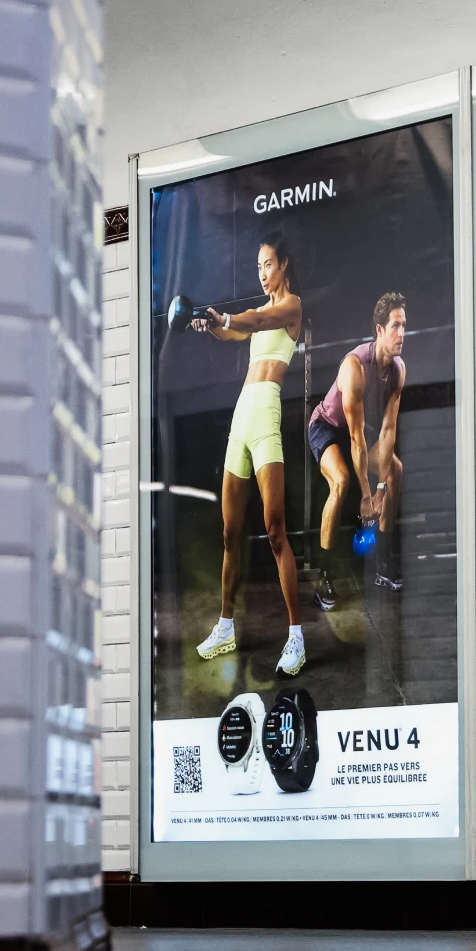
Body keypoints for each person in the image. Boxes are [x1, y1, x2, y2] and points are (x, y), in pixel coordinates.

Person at [192, 232, 306, 675]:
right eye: (258, 266)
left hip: (266, 416)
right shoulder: (260, 311)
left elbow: (256, 321)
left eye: (268, 264)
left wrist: (228, 317)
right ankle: (225, 627)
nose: (262, 273)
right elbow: (235, 332)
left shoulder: (291, 307)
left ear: (284, 264)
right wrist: (212, 325)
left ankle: (296, 637)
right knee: (229, 532)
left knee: (275, 532)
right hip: (242, 416)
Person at [307, 292, 407, 604]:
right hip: (326, 427)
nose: (401, 333)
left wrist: (380, 489)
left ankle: (384, 562)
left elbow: (388, 431)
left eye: (404, 325)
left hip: (361, 432)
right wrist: (366, 495)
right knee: (341, 481)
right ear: (379, 330)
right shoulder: (355, 367)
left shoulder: (398, 369)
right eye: (395, 326)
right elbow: (355, 437)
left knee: (395, 471)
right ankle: (324, 576)